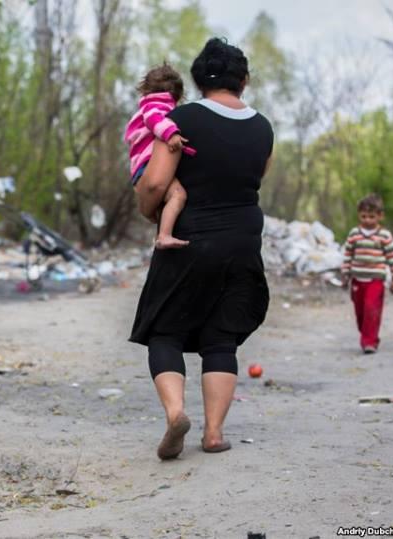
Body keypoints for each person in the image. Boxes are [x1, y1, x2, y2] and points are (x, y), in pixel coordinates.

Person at [130, 38, 274, 460]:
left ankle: (176, 413)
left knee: (164, 330)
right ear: (243, 81)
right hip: (243, 239)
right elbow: (257, 176)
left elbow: (156, 183)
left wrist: (148, 209)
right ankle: (213, 433)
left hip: (188, 239)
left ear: (196, 81)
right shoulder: (262, 127)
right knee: (221, 339)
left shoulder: (180, 119)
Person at [124, 63, 196, 250]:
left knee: (164, 202)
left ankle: (161, 231)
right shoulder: (155, 105)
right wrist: (170, 134)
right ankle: (164, 236)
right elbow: (154, 119)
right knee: (179, 195)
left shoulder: (147, 105)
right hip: (147, 164)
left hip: (141, 167)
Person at [340, 194, 393, 354]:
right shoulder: (354, 234)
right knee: (360, 311)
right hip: (357, 279)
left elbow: (392, 258)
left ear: (380, 216)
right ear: (359, 215)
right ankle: (366, 334)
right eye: (364, 216)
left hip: (376, 279)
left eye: (372, 216)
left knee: (371, 309)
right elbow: (348, 255)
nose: (367, 220)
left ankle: (370, 342)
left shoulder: (384, 236)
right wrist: (345, 274)